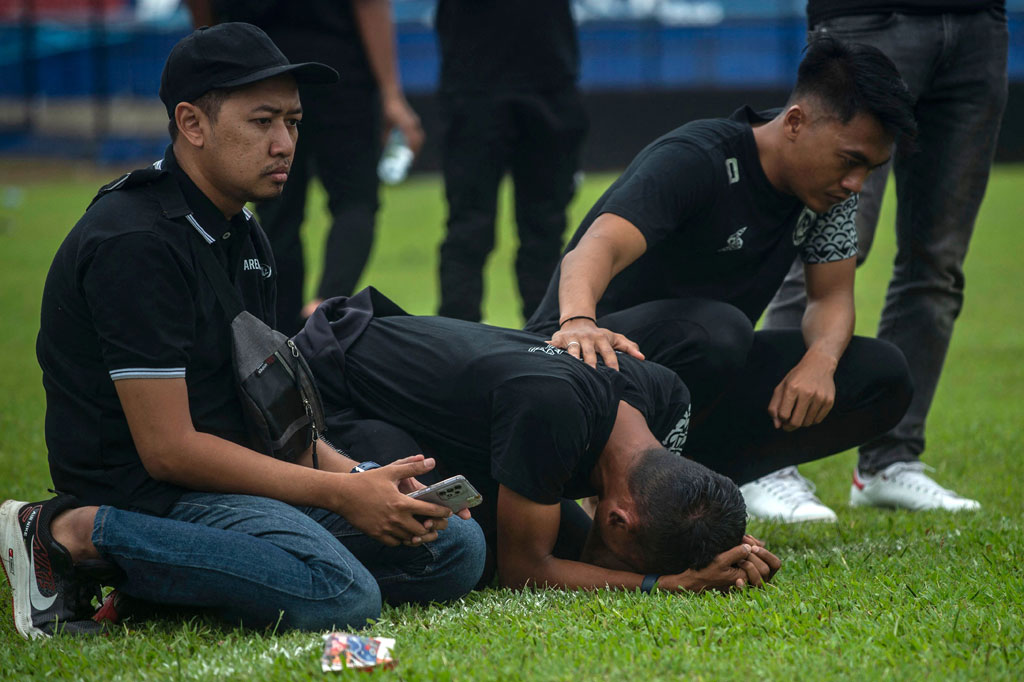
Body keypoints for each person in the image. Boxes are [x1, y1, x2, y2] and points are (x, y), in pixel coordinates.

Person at [0, 23, 483, 640]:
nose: (285, 143)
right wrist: (339, 497)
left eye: (294, 122)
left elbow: (272, 421)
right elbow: (168, 450)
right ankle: (63, 532)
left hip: (233, 478)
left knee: (456, 547)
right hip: (149, 493)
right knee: (340, 596)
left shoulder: (243, 232)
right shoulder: (136, 242)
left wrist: (364, 481)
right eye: (263, 122)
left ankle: (188, 585)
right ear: (192, 124)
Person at [523, 36, 917, 523]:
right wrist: (579, 320)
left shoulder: (829, 194)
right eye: (850, 161)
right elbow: (596, 245)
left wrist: (821, 359)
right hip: (582, 365)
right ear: (795, 122)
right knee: (720, 332)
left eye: (871, 170)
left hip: (698, 371)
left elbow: (832, 296)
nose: (856, 183)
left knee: (881, 375)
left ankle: (690, 485)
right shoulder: (699, 157)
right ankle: (609, 487)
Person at [293, 289, 783, 592]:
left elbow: (679, 502)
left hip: (445, 412)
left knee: (564, 547)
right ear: (616, 518)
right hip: (330, 388)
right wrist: (666, 582)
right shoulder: (552, 414)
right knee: (459, 547)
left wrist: (715, 535)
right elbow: (525, 570)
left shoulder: (665, 394)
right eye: (625, 546)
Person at [747, 1, 1008, 520]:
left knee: (937, 262)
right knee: (821, 250)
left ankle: (890, 460)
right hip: (870, 17)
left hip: (980, 21)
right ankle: (765, 463)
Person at [208, 0, 425, 335]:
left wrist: (212, 68)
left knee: (277, 211)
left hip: (255, 73)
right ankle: (321, 312)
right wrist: (391, 94)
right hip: (338, 71)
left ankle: (281, 332)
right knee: (354, 202)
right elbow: (369, 5)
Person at [435, 0, 588, 323]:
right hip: (476, 81)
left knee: (543, 230)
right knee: (470, 229)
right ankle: (455, 345)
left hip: (545, 78)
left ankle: (548, 341)